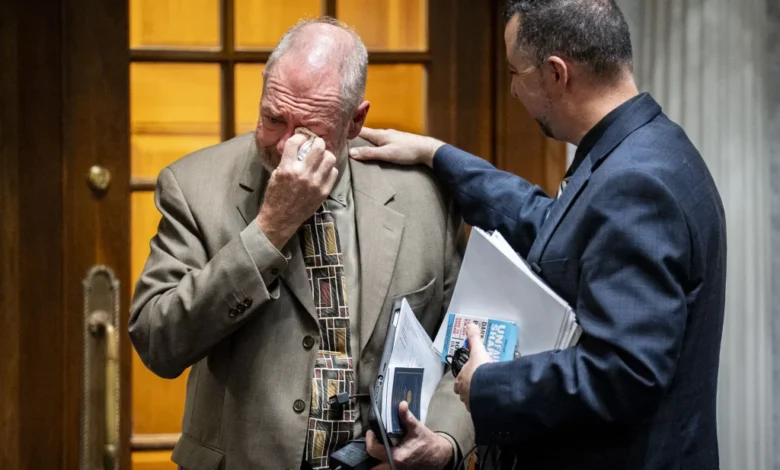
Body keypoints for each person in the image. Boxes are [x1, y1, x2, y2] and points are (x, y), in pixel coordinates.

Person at [350, 1, 727, 469]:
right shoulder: (648, 146)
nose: (512, 89)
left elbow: (624, 372)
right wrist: (437, 154)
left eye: (515, 72)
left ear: (555, 73)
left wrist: (488, 383)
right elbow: (552, 225)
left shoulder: (635, 184)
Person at [129, 17, 473, 470]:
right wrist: (269, 228)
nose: (284, 145)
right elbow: (158, 342)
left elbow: (466, 338)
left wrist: (446, 440)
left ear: (354, 121)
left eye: (309, 129)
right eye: (273, 118)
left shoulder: (423, 195)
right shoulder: (193, 186)